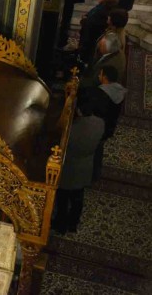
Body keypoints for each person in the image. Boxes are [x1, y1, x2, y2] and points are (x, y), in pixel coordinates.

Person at [52, 97, 104, 234]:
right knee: (77, 198)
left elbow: (59, 139)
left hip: (68, 168)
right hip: (85, 167)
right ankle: (73, 223)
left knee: (62, 199)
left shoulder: (71, 130)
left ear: (79, 111)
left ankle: (60, 224)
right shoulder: (100, 123)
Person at [90, 65, 127, 182]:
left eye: (100, 74)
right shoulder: (118, 91)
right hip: (109, 127)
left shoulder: (102, 94)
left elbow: (95, 112)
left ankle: (93, 175)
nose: (98, 76)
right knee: (99, 149)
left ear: (105, 77)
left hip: (99, 128)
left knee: (94, 151)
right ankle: (96, 173)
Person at [76, 0, 119, 64]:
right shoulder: (102, 7)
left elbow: (90, 31)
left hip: (90, 39)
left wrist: (85, 20)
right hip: (91, 34)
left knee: (85, 57)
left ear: (106, 1)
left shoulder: (101, 13)